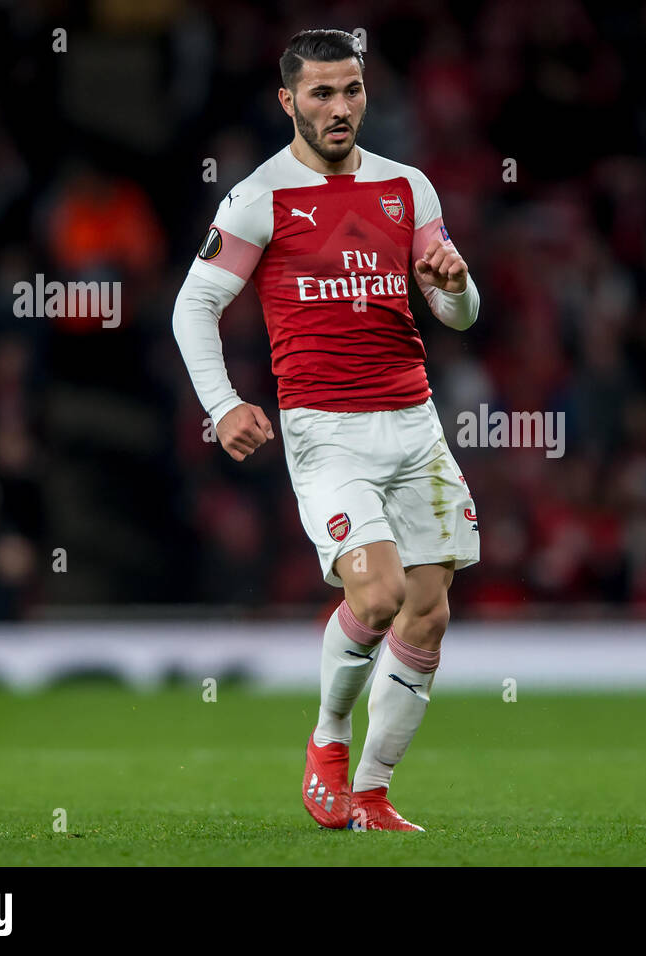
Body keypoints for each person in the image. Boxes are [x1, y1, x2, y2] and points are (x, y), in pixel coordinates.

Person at [171, 28, 481, 831]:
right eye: (321, 93)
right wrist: (223, 403)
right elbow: (193, 304)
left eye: (350, 90)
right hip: (327, 430)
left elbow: (455, 316)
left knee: (430, 612)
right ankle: (328, 740)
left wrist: (457, 283)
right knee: (375, 596)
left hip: (415, 424)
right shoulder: (258, 197)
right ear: (289, 101)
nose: (339, 108)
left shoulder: (408, 188)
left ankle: (373, 795)